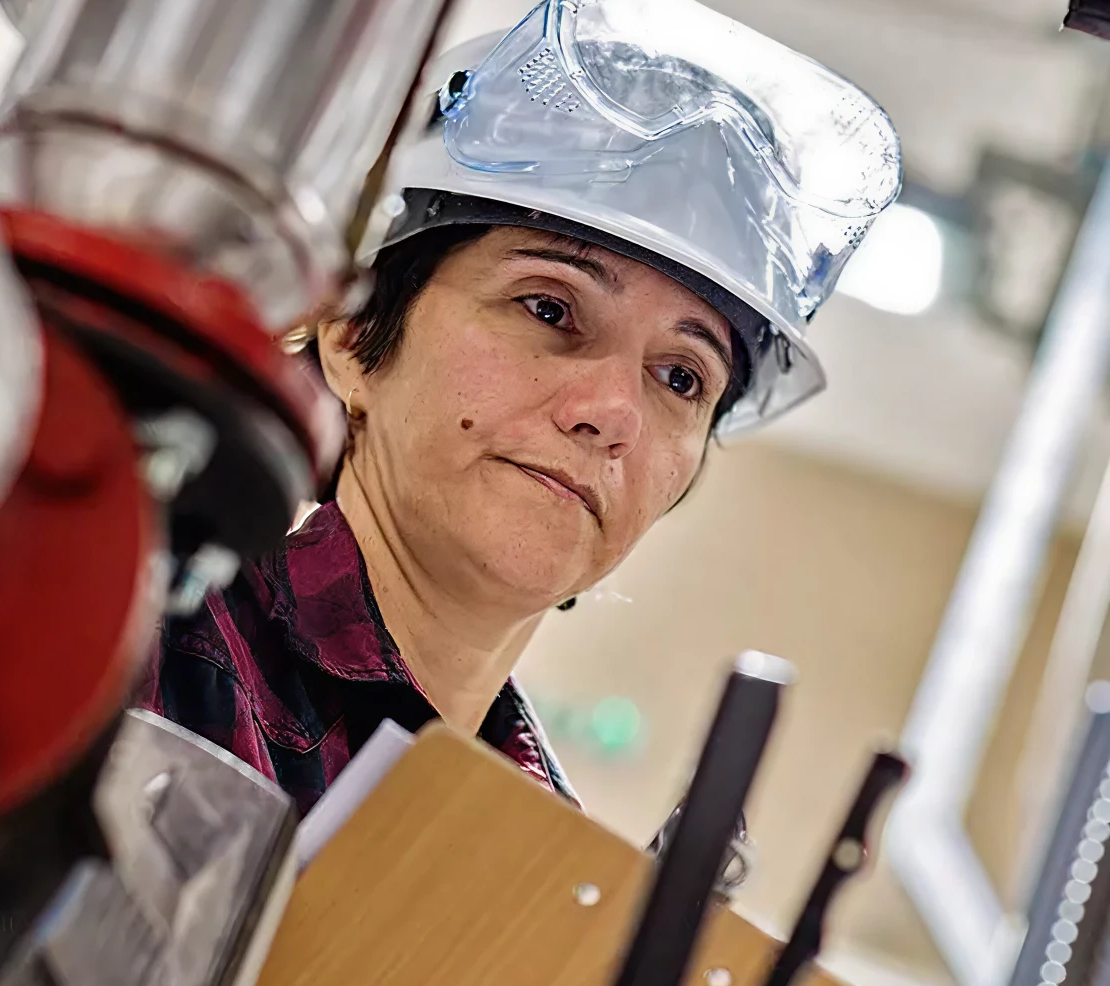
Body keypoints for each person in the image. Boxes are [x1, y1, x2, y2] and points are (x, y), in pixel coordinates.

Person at [135, 0, 904, 813]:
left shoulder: (549, 878)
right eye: (549, 308)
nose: (613, 412)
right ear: (356, 334)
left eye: (682, 378)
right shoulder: (131, 657)